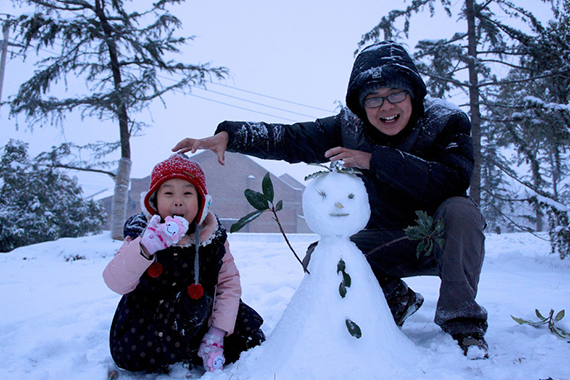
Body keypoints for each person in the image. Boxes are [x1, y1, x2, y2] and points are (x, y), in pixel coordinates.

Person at [172, 41, 488, 358]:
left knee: (461, 210)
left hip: (441, 238)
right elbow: (290, 139)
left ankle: (462, 325)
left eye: (396, 94)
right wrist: (233, 136)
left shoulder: (444, 122)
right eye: (373, 99)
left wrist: (373, 159)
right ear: (361, 104)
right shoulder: (349, 126)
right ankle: (396, 300)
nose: (386, 107)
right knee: (322, 256)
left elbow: (453, 179)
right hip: (385, 241)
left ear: (413, 93)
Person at [103, 153, 265, 373]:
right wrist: (145, 248)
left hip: (200, 311)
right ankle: (174, 352)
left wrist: (217, 333)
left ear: (200, 202)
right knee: (131, 356)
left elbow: (228, 284)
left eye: (187, 193)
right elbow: (116, 283)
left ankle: (205, 346)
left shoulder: (212, 238)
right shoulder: (141, 234)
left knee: (249, 336)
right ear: (154, 201)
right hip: (151, 317)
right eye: (168, 193)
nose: (178, 200)